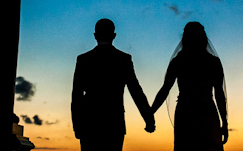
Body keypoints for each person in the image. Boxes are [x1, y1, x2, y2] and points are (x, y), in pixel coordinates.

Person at [71, 18, 155, 151]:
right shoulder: (124, 59)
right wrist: (149, 118)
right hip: (114, 123)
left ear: (95, 35)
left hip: (90, 124)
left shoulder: (83, 60)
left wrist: (77, 126)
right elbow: (136, 91)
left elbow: (76, 96)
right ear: (114, 35)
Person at [151, 22, 228, 151]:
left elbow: (165, 89)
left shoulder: (178, 61)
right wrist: (224, 122)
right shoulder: (213, 62)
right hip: (207, 112)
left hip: (185, 112)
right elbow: (219, 93)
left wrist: (150, 113)